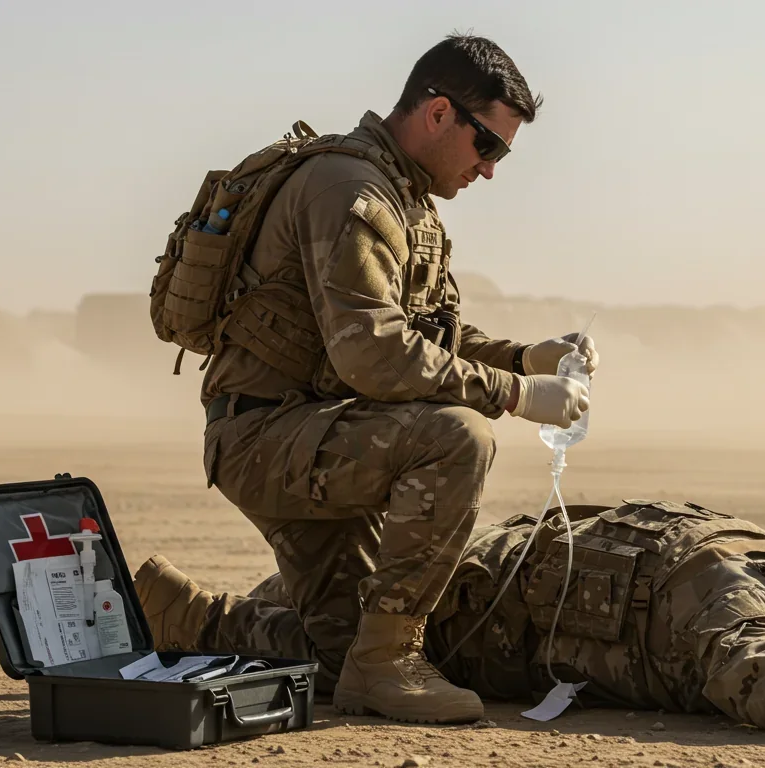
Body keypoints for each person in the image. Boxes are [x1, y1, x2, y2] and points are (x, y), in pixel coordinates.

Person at [167, 33, 599, 725]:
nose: (490, 170)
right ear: (437, 114)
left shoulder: (407, 198)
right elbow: (376, 355)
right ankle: (389, 663)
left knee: (333, 656)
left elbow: (433, 337)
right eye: (488, 146)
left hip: (324, 435)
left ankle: (188, 618)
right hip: (269, 438)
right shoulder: (349, 190)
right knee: (457, 437)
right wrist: (516, 396)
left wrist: (524, 358)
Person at [134, 500, 765, 752]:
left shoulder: (749, 626)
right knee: (300, 586)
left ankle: (185, 619)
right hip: (469, 560)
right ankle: (198, 609)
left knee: (274, 633)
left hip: (452, 620)